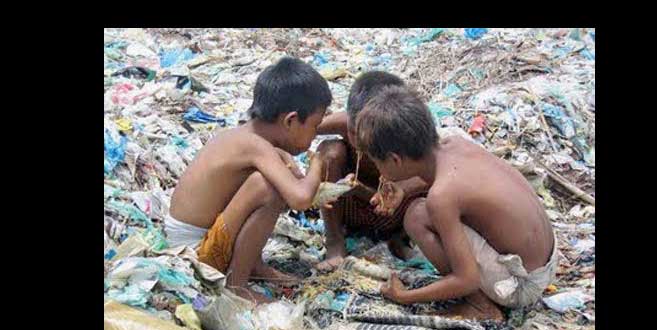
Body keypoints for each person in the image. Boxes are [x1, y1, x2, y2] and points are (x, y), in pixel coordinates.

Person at [354, 85, 558, 313]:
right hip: (548, 260)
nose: (377, 168)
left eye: (376, 161)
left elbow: (466, 279)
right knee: (429, 207)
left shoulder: (442, 197)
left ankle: (479, 307)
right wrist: (404, 189)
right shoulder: (457, 145)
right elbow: (449, 180)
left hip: (521, 285)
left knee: (416, 216)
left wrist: (405, 296)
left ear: (394, 160)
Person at [165, 57, 333, 303]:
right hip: (194, 254)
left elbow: (296, 185)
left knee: (271, 185)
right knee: (266, 188)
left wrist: (322, 190)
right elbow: (299, 197)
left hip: (191, 239)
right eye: (314, 127)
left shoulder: (248, 137)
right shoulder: (255, 146)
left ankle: (254, 266)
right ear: (290, 121)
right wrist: (318, 164)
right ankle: (237, 285)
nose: (314, 136)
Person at [314, 71, 429, 271]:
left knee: (422, 199)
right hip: (350, 206)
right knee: (330, 150)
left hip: (393, 209)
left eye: (364, 133)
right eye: (352, 130)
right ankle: (334, 241)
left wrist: (402, 189)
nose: (357, 139)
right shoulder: (345, 123)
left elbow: (435, 170)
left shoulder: (406, 132)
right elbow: (298, 130)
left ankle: (399, 239)